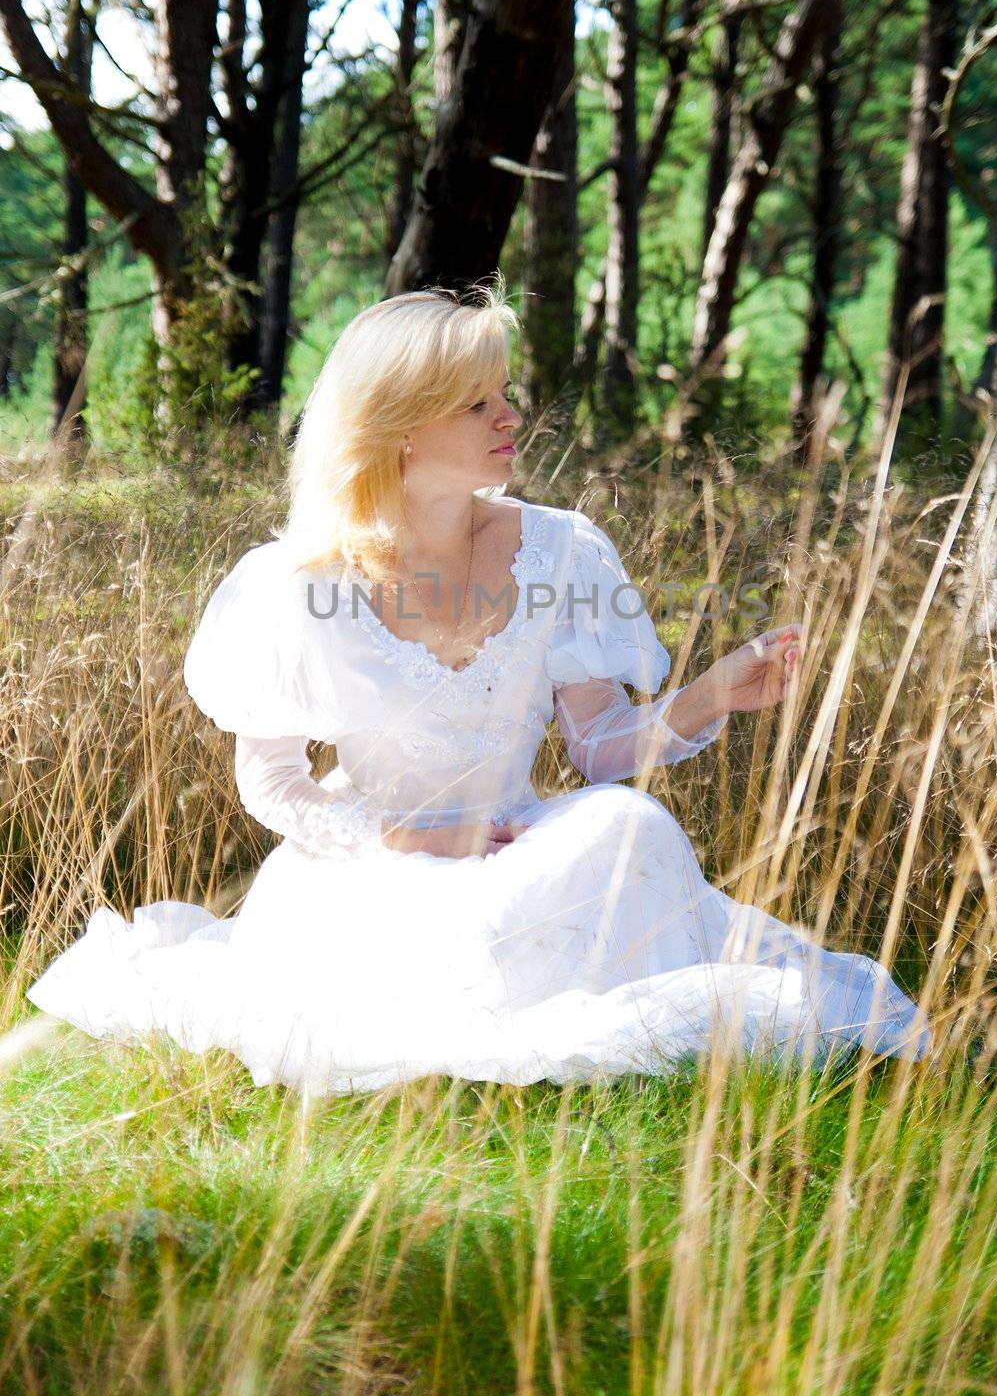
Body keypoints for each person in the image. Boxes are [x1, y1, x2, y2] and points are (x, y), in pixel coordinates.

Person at [27, 285, 930, 1092]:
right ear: (399, 424)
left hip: (519, 845)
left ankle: (536, 990)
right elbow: (270, 779)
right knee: (444, 945)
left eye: (505, 395)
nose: (510, 416)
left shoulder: (561, 549)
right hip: (370, 862)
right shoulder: (294, 582)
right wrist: (396, 835)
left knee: (628, 825)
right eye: (477, 403)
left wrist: (709, 696)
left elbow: (600, 748)